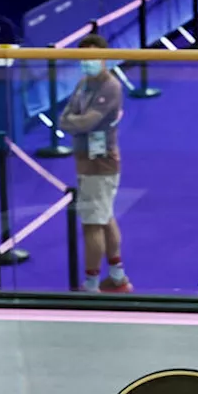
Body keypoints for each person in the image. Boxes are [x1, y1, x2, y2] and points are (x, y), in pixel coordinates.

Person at [58, 34, 132, 293]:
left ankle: (90, 285)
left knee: (91, 224)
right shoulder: (83, 84)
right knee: (105, 217)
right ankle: (118, 276)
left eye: (93, 56)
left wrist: (74, 123)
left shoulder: (111, 86)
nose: (88, 61)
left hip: (101, 162)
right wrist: (73, 123)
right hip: (85, 158)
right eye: (84, 57)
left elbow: (86, 121)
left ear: (104, 58)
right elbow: (64, 118)